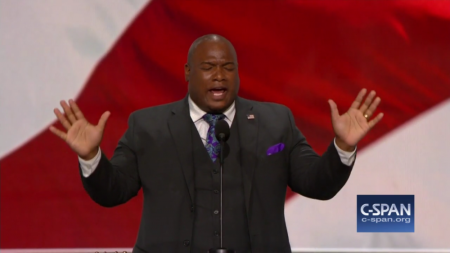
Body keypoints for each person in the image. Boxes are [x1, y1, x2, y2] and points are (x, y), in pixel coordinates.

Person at [49, 34, 383, 253]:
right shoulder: (147, 126)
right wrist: (92, 156)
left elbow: (316, 183)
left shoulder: (275, 122)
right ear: (187, 72)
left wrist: (342, 147)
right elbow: (113, 191)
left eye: (228, 68)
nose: (219, 75)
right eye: (208, 67)